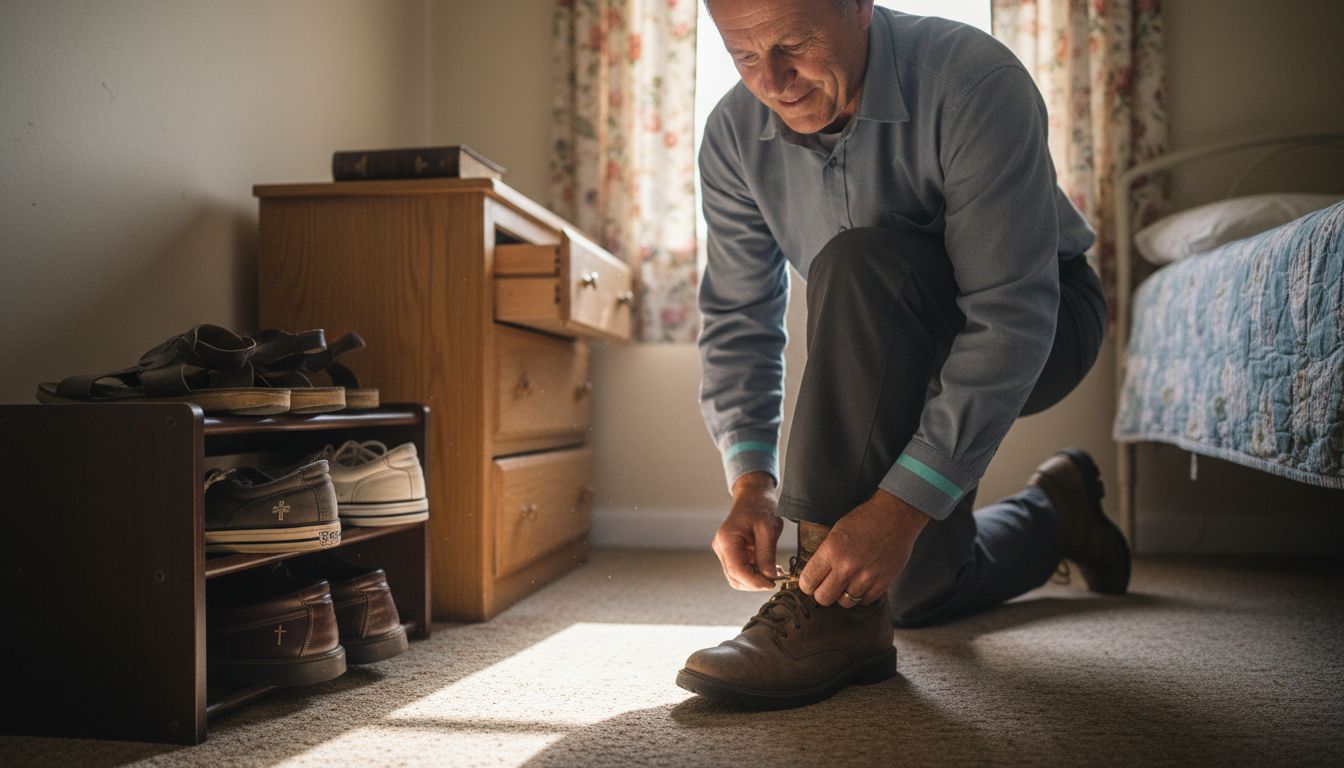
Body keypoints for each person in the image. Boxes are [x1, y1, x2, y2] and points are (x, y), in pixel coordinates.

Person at [675, 0, 1132, 709]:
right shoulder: (732, 136)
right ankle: (1058, 511)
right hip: (886, 354)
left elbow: (1009, 315)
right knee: (911, 592)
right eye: (744, 57)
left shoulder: (973, 81)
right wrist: (750, 483)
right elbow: (740, 319)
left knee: (857, 264)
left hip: (1044, 317)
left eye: (793, 45)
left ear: (857, 7)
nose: (775, 80)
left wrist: (900, 508)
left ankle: (828, 619)